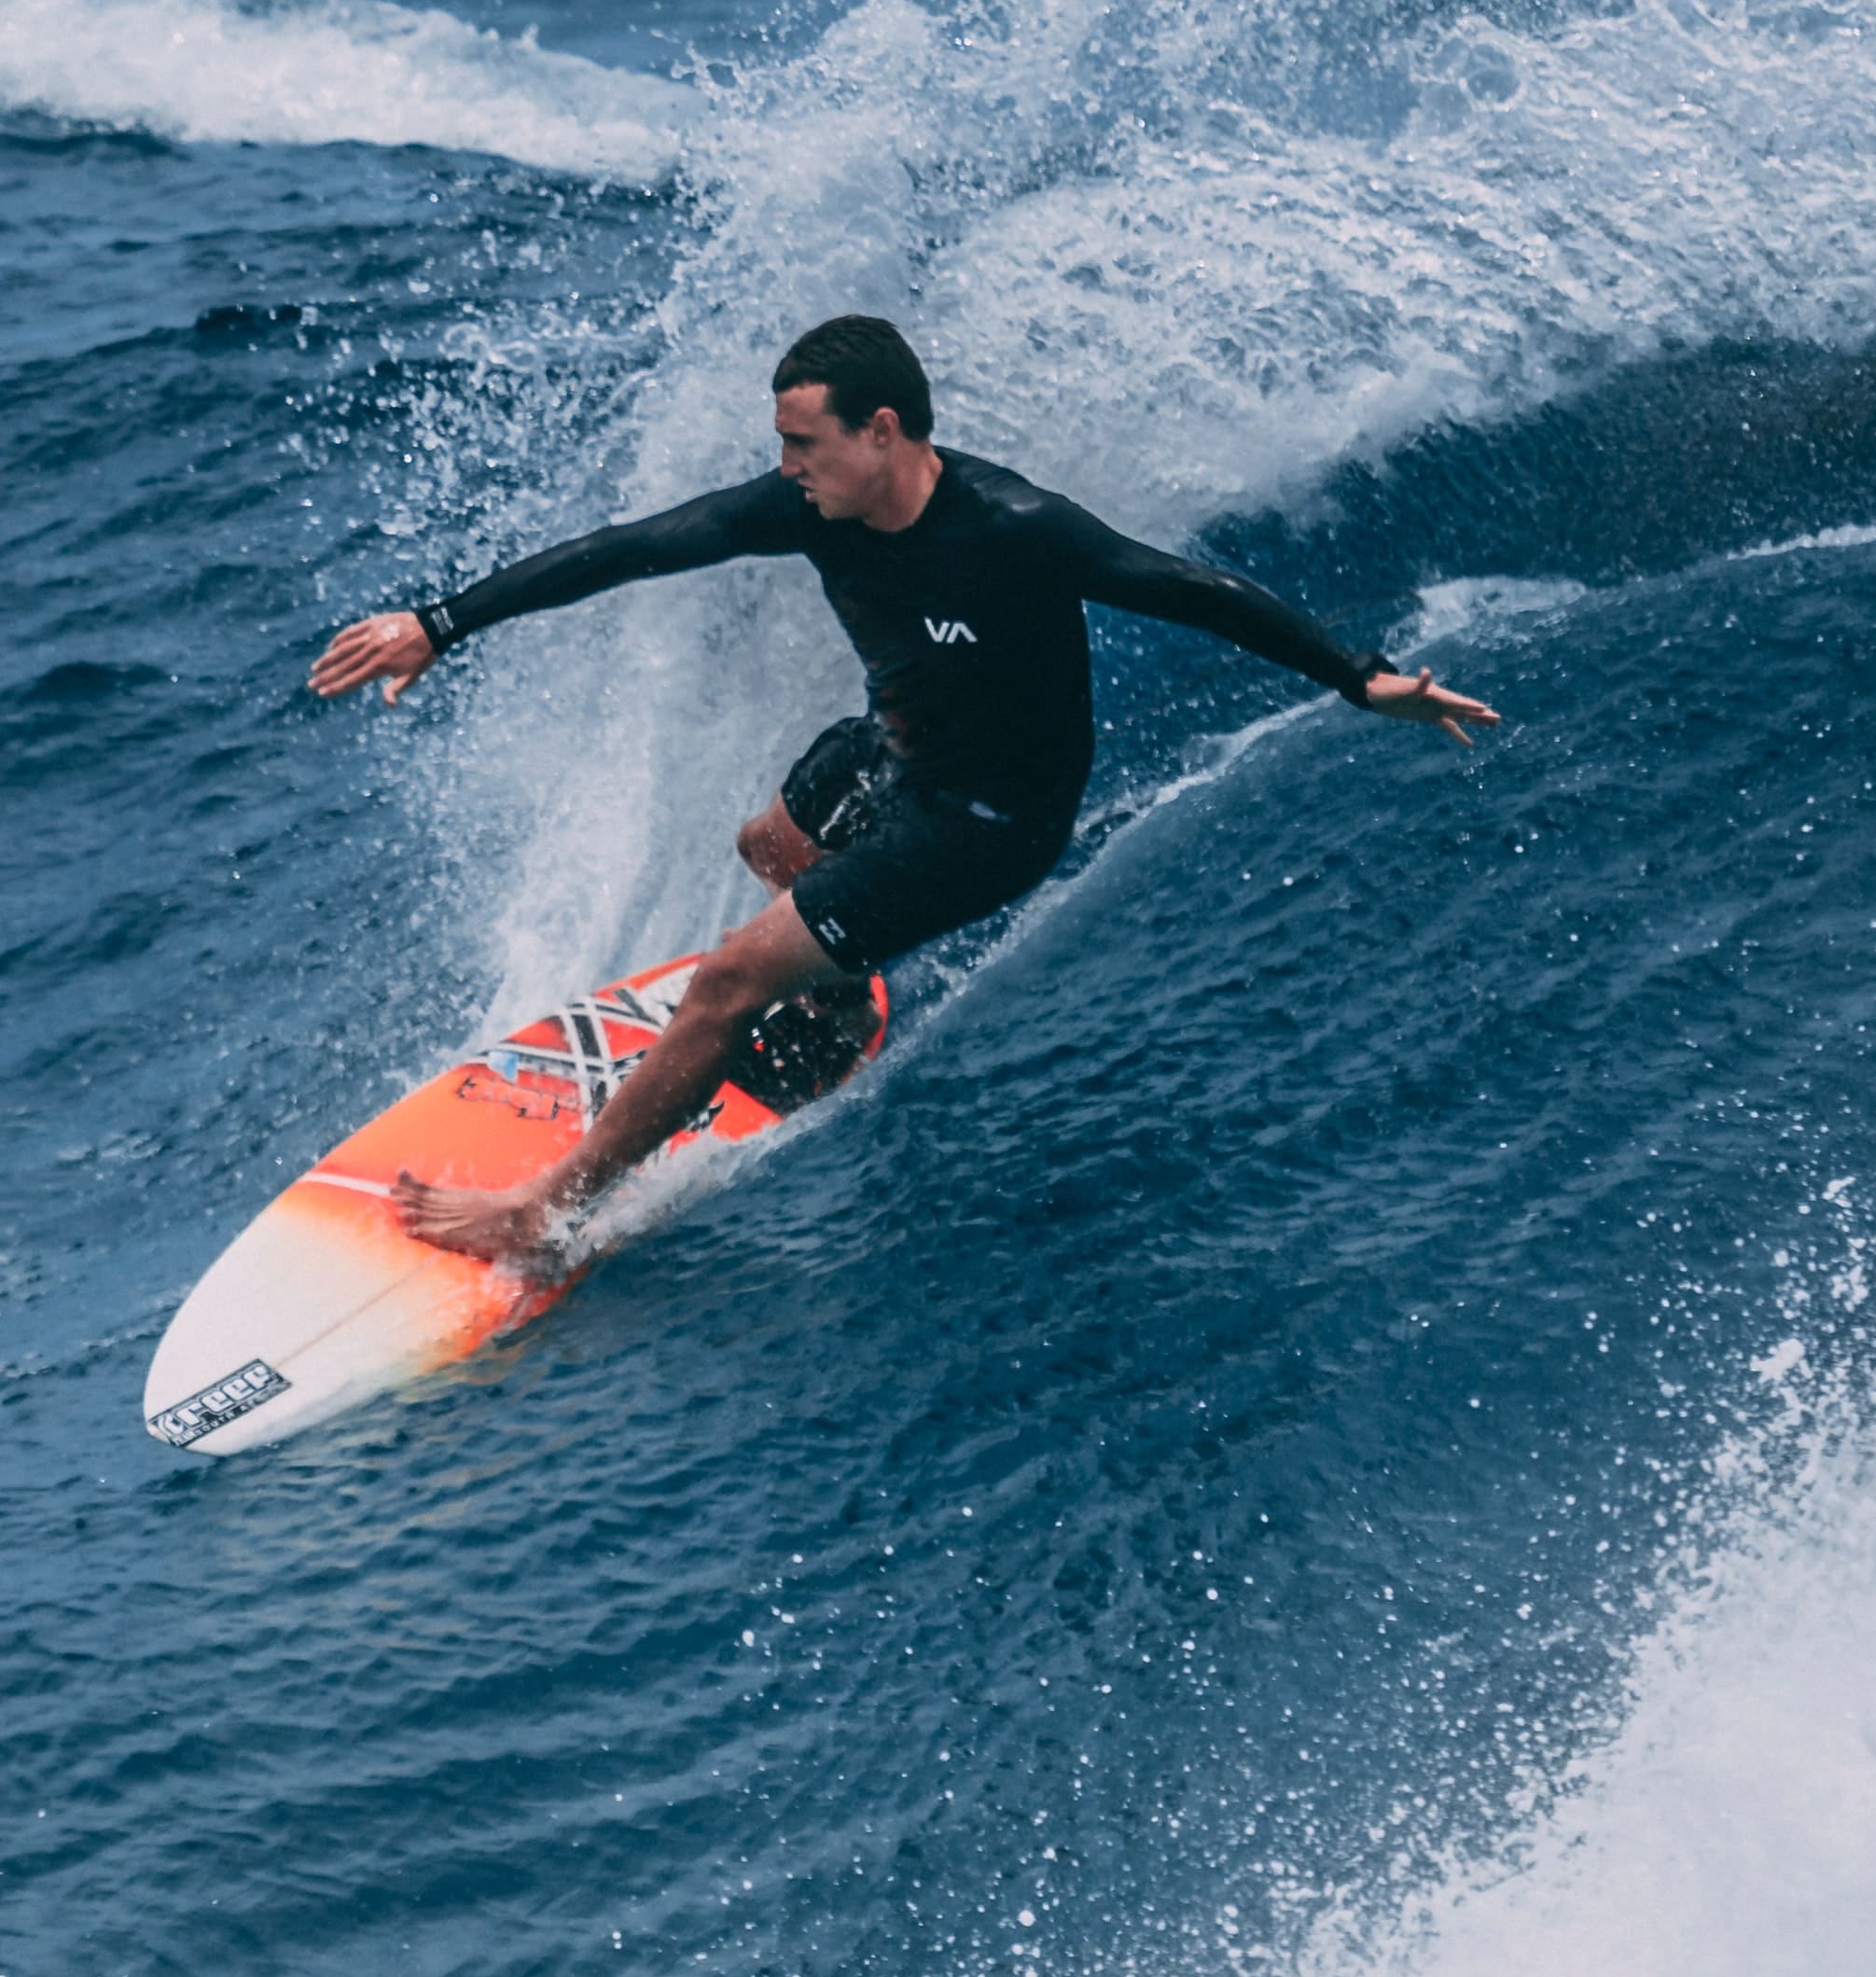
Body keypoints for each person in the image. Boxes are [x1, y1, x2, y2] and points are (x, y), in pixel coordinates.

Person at [309, 314, 1494, 1264]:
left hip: (992, 821)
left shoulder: (1013, 527)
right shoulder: (810, 508)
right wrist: (440, 621)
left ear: (880, 431)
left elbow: (1189, 588)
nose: (785, 472)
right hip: (898, 747)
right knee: (767, 843)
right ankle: (830, 999)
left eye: (802, 446)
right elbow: (634, 544)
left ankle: (541, 1211)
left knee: (726, 979)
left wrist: (1359, 677)